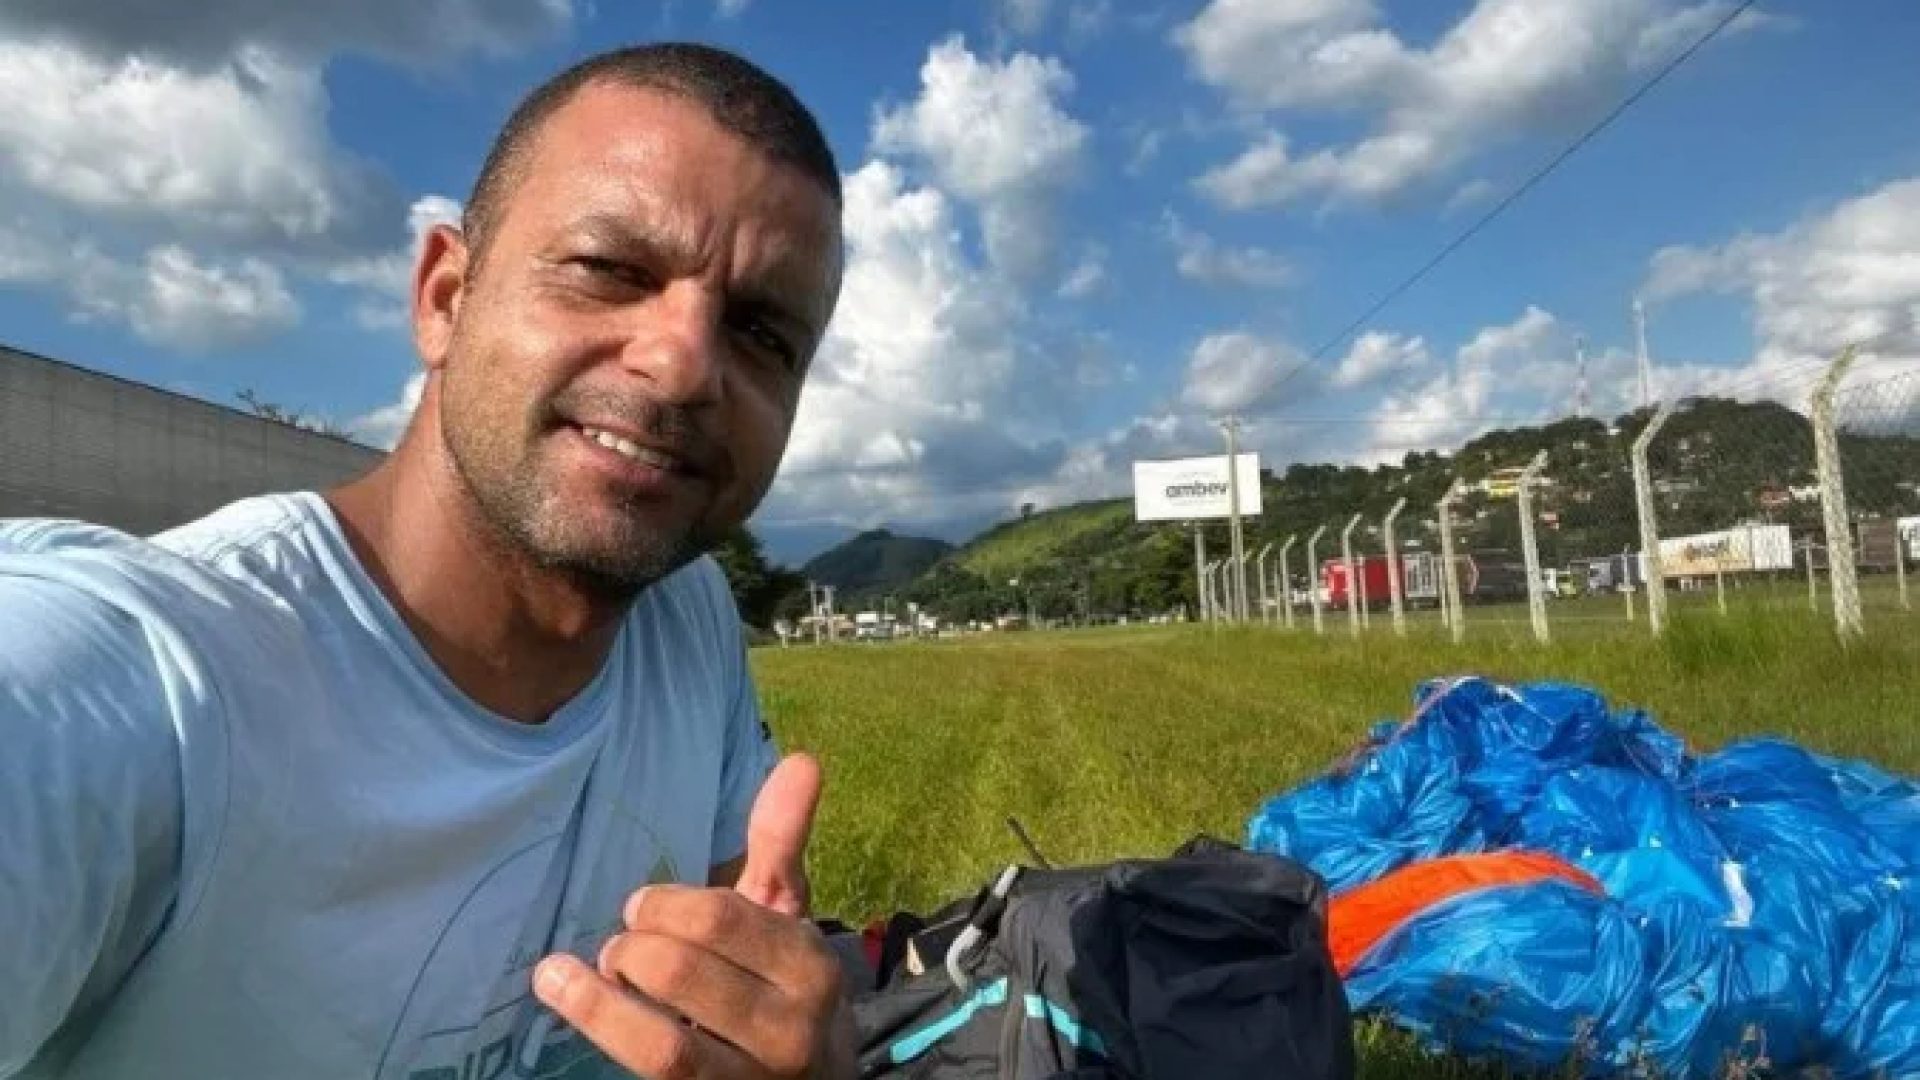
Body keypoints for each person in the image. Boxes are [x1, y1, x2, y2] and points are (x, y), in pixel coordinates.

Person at [0, 42, 853, 1080]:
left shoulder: (687, 616)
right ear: (445, 296)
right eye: (610, 271)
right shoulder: (136, 692)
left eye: (762, 334)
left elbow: (730, 989)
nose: (682, 365)